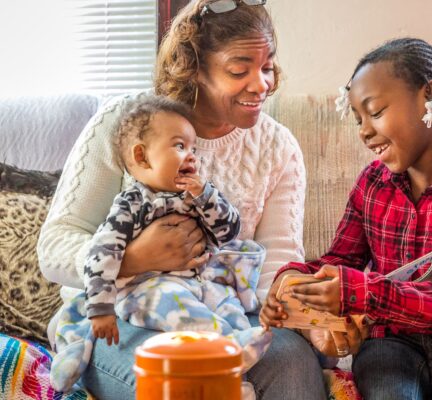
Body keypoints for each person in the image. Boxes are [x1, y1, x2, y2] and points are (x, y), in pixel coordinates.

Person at [38, 1, 327, 399]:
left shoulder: (278, 148)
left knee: (292, 360)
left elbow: (276, 264)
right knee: (182, 378)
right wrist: (134, 258)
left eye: (267, 67)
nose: (261, 84)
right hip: (117, 314)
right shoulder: (127, 123)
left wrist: (301, 314)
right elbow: (54, 244)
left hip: (223, 312)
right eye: (239, 70)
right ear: (194, 68)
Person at [261, 37, 432, 399]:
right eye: (358, 119)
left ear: (430, 96)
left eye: (376, 112)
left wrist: (364, 292)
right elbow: (341, 261)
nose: (364, 130)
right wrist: (294, 281)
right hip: (388, 343)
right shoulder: (372, 185)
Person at [49, 95, 270, 393]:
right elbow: (101, 254)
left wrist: (204, 195)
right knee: (179, 307)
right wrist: (101, 309)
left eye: (193, 149)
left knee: (228, 306)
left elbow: (229, 231)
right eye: (180, 146)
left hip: (198, 283)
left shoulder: (197, 198)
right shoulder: (132, 204)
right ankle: (226, 350)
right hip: (146, 288)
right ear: (141, 157)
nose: (191, 156)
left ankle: (235, 378)